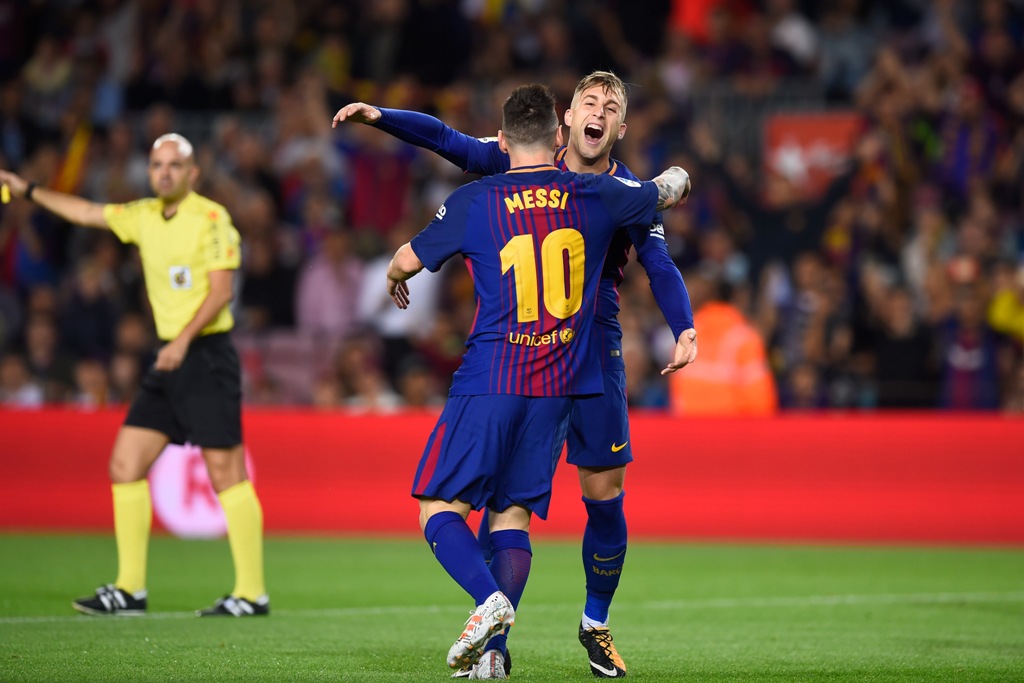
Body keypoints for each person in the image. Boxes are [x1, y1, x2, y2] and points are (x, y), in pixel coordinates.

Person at [335, 70, 697, 679]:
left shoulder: (620, 188)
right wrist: (385, 116)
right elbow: (450, 141)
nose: (599, 112)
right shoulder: (553, 169)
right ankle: (497, 646)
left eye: (611, 107)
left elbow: (657, 261)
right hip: (539, 357)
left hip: (591, 353)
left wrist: (683, 325)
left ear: (620, 128)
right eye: (590, 100)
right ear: (567, 118)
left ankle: (594, 621)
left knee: (601, 498)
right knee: (509, 506)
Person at [0, 134, 268, 617]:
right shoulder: (142, 215)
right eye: (156, 165)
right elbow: (85, 212)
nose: (164, 172)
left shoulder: (211, 219)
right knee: (125, 464)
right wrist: (27, 189)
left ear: (193, 174)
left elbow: (221, 293)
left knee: (226, 473)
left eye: (174, 165)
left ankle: (252, 593)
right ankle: (130, 590)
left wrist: (183, 341)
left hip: (205, 354)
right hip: (171, 356)